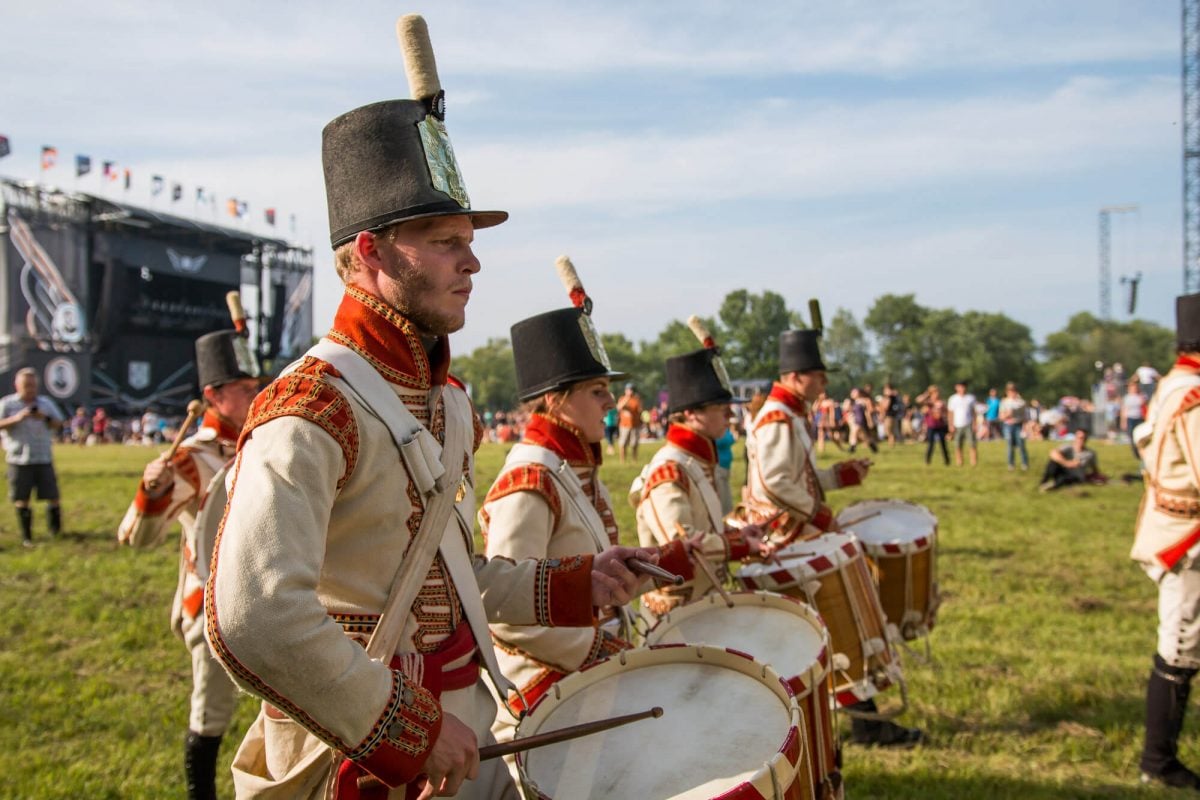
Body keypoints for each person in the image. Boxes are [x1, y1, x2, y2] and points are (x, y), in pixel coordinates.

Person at [204, 19, 658, 800]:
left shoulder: (446, 404)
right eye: (445, 239)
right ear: (372, 252)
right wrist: (401, 725)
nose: (472, 258)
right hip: (352, 752)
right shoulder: (311, 408)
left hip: (464, 728)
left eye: (467, 237)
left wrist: (581, 581)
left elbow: (456, 579)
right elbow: (252, 616)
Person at [480, 272, 695, 778]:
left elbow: (587, 581)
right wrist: (596, 647)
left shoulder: (567, 466)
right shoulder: (531, 477)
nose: (611, 403)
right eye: (598, 390)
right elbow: (506, 613)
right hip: (545, 690)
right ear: (556, 399)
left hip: (583, 672)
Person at [743, 328, 922, 747]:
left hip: (793, 528)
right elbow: (774, 485)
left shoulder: (791, 416)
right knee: (839, 622)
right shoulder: (776, 419)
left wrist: (837, 477)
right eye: (819, 375)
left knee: (837, 625)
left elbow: (796, 480)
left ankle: (864, 720)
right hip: (783, 536)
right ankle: (866, 723)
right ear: (796, 375)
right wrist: (821, 515)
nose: (825, 384)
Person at [118, 331, 260, 800]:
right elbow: (137, 537)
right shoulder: (191, 459)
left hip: (270, 599)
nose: (256, 395)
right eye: (244, 389)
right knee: (210, 714)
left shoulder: (261, 441)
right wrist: (152, 490)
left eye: (256, 385)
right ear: (212, 397)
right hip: (213, 603)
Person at [631, 323, 770, 617]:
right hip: (677, 618)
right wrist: (740, 546)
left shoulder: (696, 461)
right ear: (692, 413)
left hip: (705, 607)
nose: (731, 414)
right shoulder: (669, 469)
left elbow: (703, 532)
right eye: (721, 407)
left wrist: (741, 534)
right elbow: (683, 543)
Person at [1131, 292, 1200, 790]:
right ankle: (1159, 762)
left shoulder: (1174, 383)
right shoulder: (1193, 393)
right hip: (1189, 539)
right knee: (1180, 645)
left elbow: (1142, 436)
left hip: (1170, 526)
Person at [0, 368, 64, 546]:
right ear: (17, 385)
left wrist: (44, 417)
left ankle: (56, 532)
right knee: (22, 498)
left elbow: (59, 423)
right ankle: (27, 537)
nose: (30, 389)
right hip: (18, 458)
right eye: (27, 385)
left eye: (33, 385)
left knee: (53, 495)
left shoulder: (45, 403)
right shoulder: (7, 403)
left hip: (43, 457)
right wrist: (17, 418)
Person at [998, 382, 1029, 471]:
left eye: (1013, 391)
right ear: (1007, 392)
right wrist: (1008, 414)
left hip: (1019, 425)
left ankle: (1025, 463)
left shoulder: (1021, 402)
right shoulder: (1004, 402)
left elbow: (1025, 416)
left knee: (1021, 445)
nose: (1012, 393)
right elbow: (1001, 416)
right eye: (1010, 391)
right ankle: (1011, 464)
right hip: (1008, 425)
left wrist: (1025, 426)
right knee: (1009, 445)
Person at [1120, 379, 1148, 460]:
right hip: (1130, 418)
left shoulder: (1141, 396)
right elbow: (1124, 410)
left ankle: (1141, 452)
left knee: (1140, 436)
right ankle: (1136, 453)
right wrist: (1123, 421)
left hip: (1139, 418)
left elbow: (1145, 405)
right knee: (1132, 437)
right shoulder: (1127, 398)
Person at [616, 382, 643, 463]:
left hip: (635, 425)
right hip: (624, 425)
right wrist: (627, 398)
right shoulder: (622, 398)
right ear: (625, 390)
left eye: (631, 389)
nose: (630, 391)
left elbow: (640, 410)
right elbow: (619, 407)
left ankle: (634, 460)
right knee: (623, 443)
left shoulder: (637, 400)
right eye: (628, 389)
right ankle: (622, 460)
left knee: (634, 444)